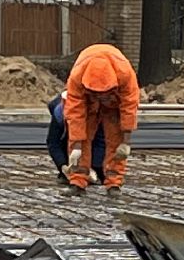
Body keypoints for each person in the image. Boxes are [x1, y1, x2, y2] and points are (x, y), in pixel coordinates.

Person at [63, 42, 139, 198]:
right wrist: (76, 146)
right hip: (88, 102)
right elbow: (75, 113)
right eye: (97, 93)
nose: (100, 97)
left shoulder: (124, 74)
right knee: (81, 138)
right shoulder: (77, 77)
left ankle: (114, 182)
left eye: (103, 93)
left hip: (114, 103)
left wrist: (126, 141)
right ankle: (77, 181)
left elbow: (129, 107)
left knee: (116, 141)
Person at [47, 94, 105, 185]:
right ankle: (68, 172)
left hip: (92, 126)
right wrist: (62, 165)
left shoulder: (98, 113)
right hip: (66, 127)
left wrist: (94, 167)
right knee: (68, 141)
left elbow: (101, 142)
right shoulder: (59, 113)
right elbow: (53, 143)